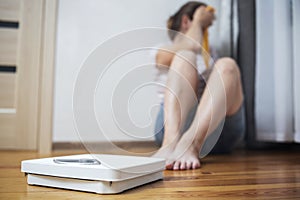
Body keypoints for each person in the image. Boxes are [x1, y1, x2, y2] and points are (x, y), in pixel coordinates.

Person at [152, 1, 245, 170]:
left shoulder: (212, 54)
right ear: (186, 21)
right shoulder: (162, 49)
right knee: (184, 56)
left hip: (215, 130)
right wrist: (198, 21)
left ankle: (191, 143)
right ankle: (170, 145)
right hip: (171, 130)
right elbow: (192, 45)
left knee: (227, 65)